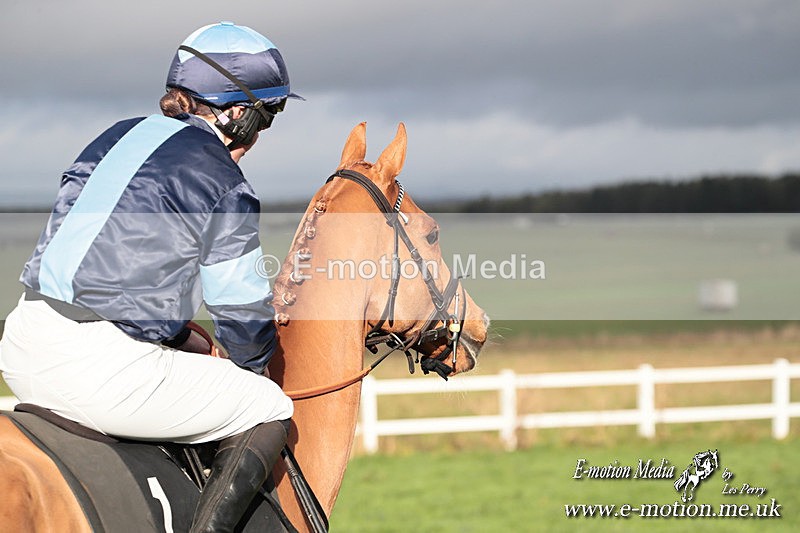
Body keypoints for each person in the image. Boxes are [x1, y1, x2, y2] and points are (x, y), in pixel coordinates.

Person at [0, 22, 300, 532]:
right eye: (266, 116)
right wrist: (250, 361)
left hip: (23, 343)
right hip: (95, 371)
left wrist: (180, 334)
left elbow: (94, 262)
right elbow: (242, 312)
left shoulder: (113, 136)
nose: (262, 133)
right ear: (237, 112)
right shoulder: (224, 178)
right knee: (266, 404)